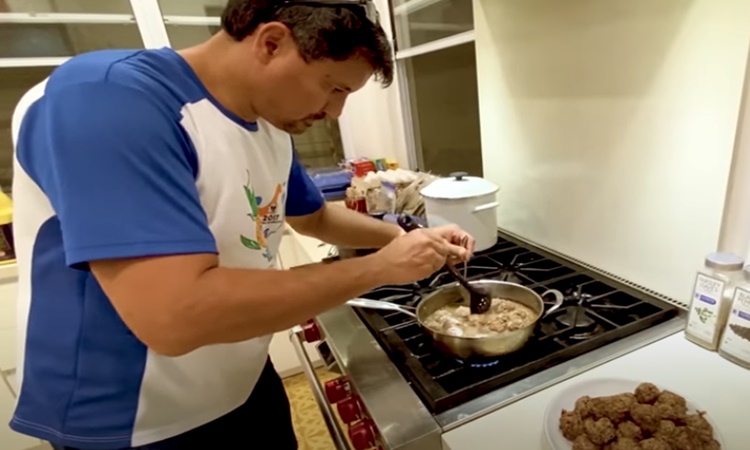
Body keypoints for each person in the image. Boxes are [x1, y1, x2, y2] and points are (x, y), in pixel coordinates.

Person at [9, 0, 475, 449]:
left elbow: (312, 216)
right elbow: (174, 317)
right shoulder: (108, 100)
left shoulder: (267, 120)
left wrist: (405, 236)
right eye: (334, 88)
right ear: (271, 43)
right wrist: (379, 268)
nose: (335, 112)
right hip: (132, 418)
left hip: (238, 376)